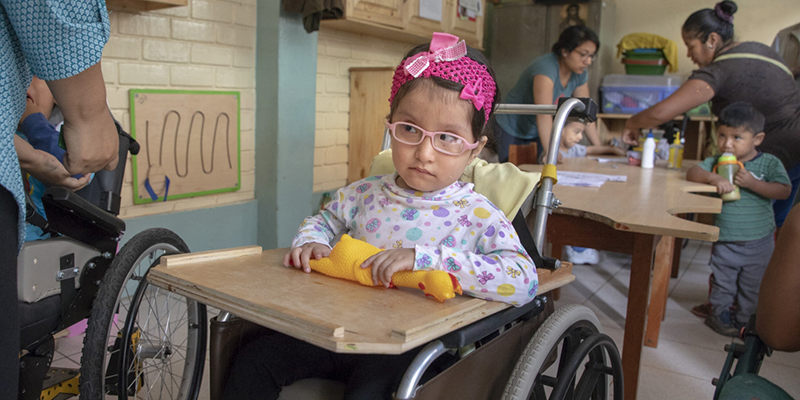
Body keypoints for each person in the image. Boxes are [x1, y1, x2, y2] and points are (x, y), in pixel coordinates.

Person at [222, 32, 537, 400]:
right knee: (255, 358)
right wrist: (311, 241)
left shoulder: (477, 213)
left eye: (447, 138)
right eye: (409, 130)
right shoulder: (365, 192)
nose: (424, 153)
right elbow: (323, 220)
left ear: (475, 149)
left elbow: (523, 279)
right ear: (390, 126)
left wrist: (425, 259)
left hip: (414, 350)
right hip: (341, 332)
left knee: (371, 388)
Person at [0, 1, 119, 393]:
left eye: (39, 82)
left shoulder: (47, 137)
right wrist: (90, 114)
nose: (31, 90)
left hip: (47, 237)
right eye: (28, 80)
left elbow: (72, 168)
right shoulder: (38, 131)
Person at [621, 1, 800, 232]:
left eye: (691, 45)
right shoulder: (759, 50)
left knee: (754, 231)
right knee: (776, 227)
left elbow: (661, 113)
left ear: (712, 40)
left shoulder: (720, 70)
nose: (688, 54)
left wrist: (632, 122)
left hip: (772, 158)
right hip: (795, 153)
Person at [685, 102, 791, 337]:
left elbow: (784, 190)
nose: (727, 143)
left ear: (758, 138)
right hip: (726, 238)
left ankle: (745, 320)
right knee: (723, 281)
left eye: (737, 137)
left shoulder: (769, 163)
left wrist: (753, 183)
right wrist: (713, 178)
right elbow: (692, 172)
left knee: (752, 286)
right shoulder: (718, 161)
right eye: (722, 135)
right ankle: (719, 315)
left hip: (760, 240)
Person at [495, 25, 602, 163]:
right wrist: (553, 151)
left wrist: (599, 149)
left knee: (539, 172)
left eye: (591, 56)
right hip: (511, 126)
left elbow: (586, 112)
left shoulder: (580, 73)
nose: (587, 61)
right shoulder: (546, 67)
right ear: (565, 51)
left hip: (538, 130)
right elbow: (543, 113)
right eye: (583, 54)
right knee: (513, 172)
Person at [559, 119, 625, 265]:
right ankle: (578, 249)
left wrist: (613, 149)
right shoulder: (554, 152)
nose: (580, 137)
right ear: (560, 129)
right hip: (563, 198)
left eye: (581, 132)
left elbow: (593, 150)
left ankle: (582, 246)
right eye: (576, 132)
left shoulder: (574, 149)